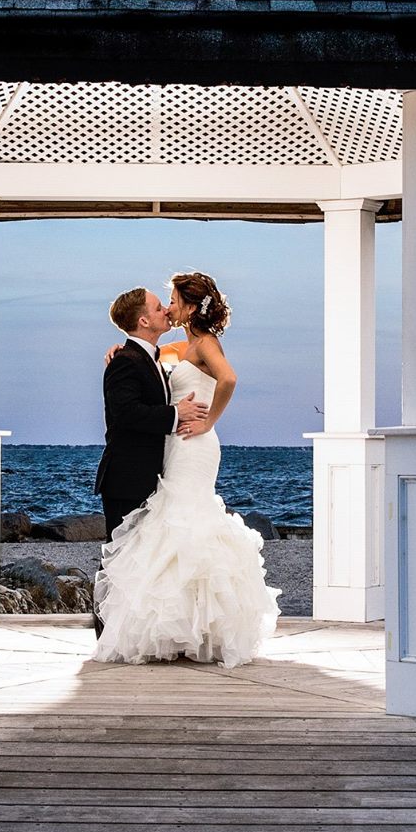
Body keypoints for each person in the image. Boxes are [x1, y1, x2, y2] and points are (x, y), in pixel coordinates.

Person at [91, 272, 281, 667]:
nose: (169, 307)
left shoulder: (206, 344)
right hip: (173, 446)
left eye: (172, 301)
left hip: (195, 442)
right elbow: (148, 361)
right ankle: (174, 630)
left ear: (191, 306)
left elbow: (228, 378)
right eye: (162, 304)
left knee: (186, 523)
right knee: (172, 528)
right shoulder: (177, 349)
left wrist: (210, 420)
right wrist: (119, 349)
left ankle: (188, 630)